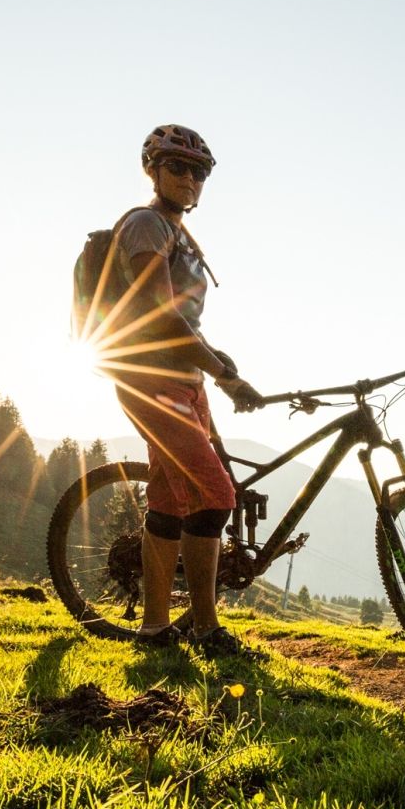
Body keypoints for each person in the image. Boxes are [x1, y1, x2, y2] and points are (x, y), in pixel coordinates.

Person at [104, 123, 265, 655]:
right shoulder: (147, 225)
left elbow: (183, 322)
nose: (190, 178)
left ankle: (154, 630)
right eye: (177, 166)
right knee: (215, 494)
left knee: (172, 499)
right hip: (151, 381)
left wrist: (216, 365)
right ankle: (205, 629)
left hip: (182, 381)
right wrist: (224, 373)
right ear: (152, 168)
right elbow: (160, 316)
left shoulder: (178, 233)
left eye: (200, 171)